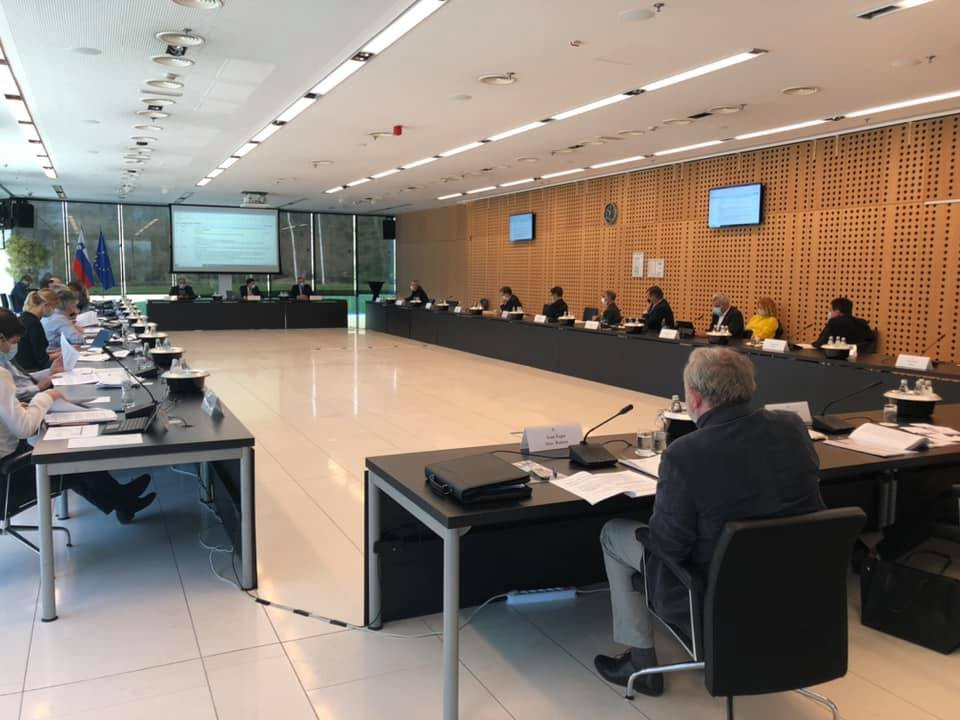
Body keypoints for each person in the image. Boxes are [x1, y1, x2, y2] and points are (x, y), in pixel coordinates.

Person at [593, 348, 825, 694]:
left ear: (695, 397)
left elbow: (669, 545)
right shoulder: (792, 427)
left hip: (713, 588)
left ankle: (641, 663)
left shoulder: (685, 454)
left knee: (613, 533)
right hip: (795, 579)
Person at [0, 311, 156, 524]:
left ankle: (123, 500)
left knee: (73, 459)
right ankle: (123, 500)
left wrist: (21, 407)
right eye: (13, 342)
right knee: (71, 459)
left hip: (7, 461)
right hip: (8, 476)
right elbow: (24, 428)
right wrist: (46, 397)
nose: (13, 348)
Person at [15, 290, 58, 372]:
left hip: (23, 368)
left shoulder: (23, 318)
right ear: (46, 305)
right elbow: (42, 360)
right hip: (33, 370)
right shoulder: (33, 324)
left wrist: (57, 353)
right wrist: (61, 354)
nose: (54, 310)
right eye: (54, 307)